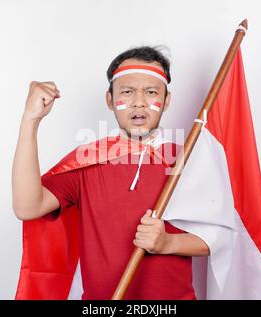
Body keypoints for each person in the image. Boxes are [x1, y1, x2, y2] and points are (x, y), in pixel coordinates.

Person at [12, 46, 210, 300]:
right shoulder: (87, 161)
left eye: (151, 92)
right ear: (109, 99)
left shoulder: (188, 158)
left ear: (167, 100)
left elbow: (221, 236)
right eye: (127, 92)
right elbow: (27, 207)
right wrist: (30, 120)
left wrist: (168, 243)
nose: (139, 102)